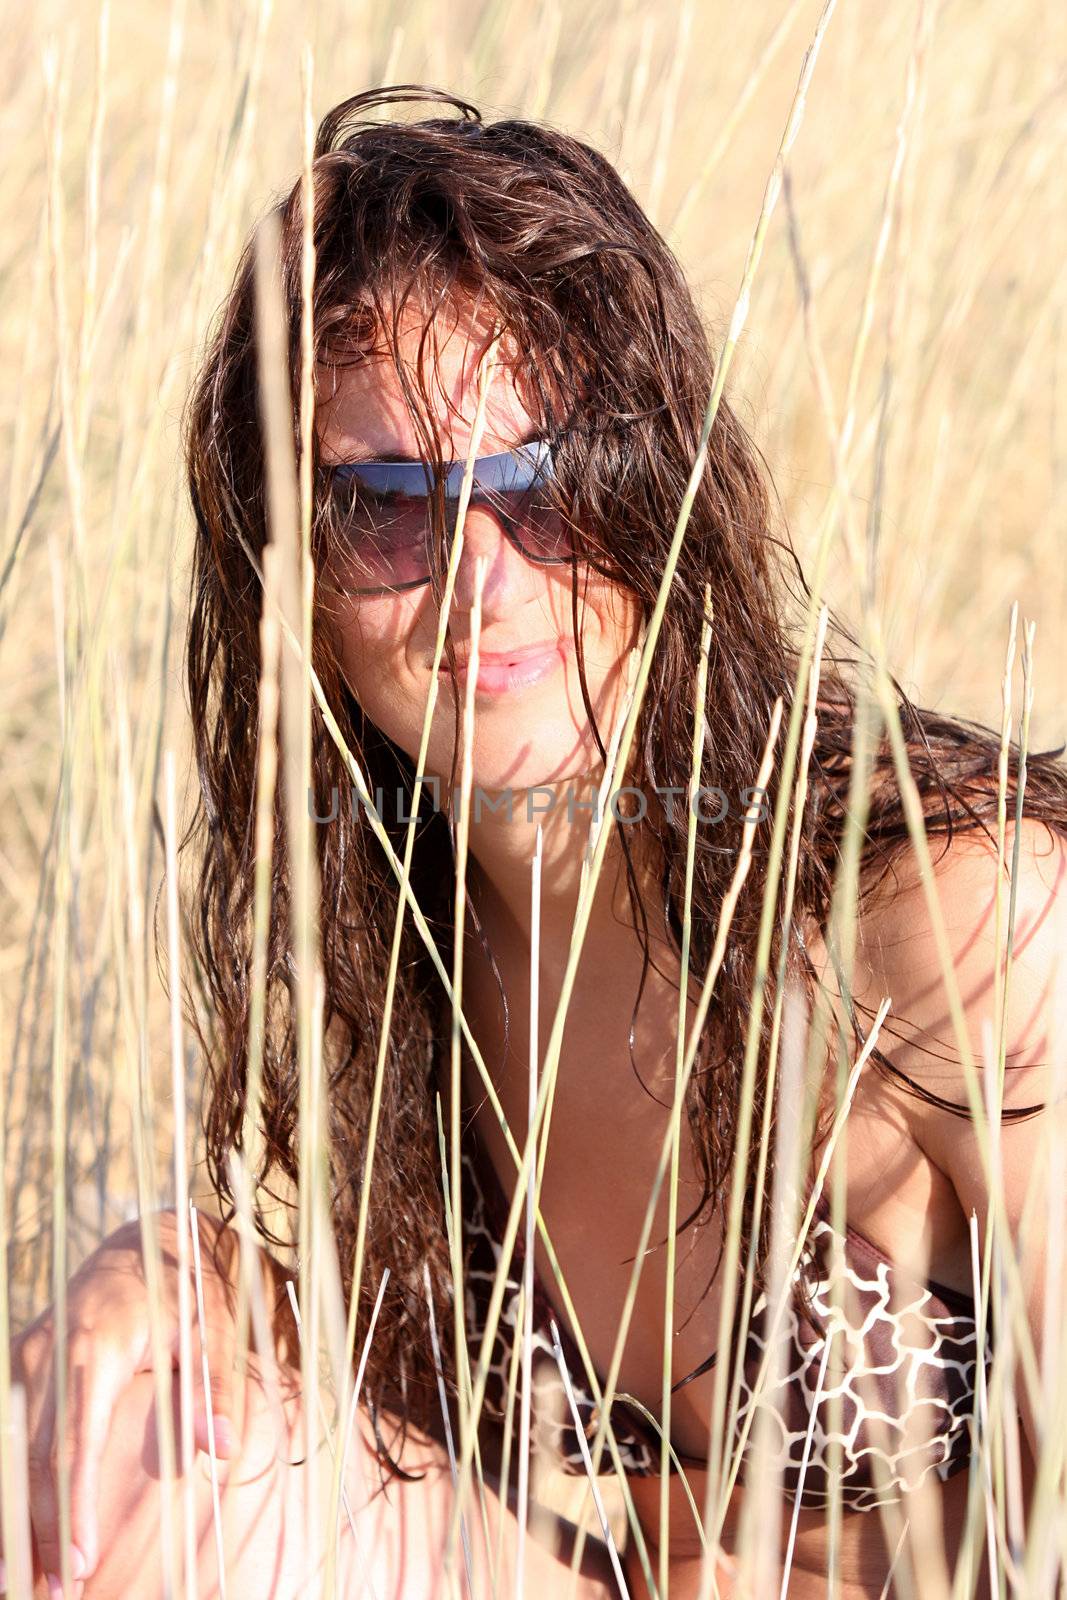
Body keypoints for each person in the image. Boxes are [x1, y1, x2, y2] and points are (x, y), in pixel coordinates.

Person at [7, 84, 1067, 1600]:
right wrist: (182, 1265)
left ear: (664, 497)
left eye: (551, 487)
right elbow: (389, 1414)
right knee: (120, 1454)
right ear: (289, 567)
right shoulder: (415, 966)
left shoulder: (961, 928)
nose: (478, 581)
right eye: (383, 508)